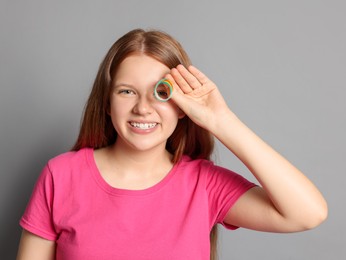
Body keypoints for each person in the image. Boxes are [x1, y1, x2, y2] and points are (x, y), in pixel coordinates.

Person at [16, 29, 327, 260]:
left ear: (182, 108)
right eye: (126, 92)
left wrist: (221, 121)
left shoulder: (203, 184)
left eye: (161, 93)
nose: (143, 108)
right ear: (107, 103)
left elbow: (307, 213)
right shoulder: (61, 175)